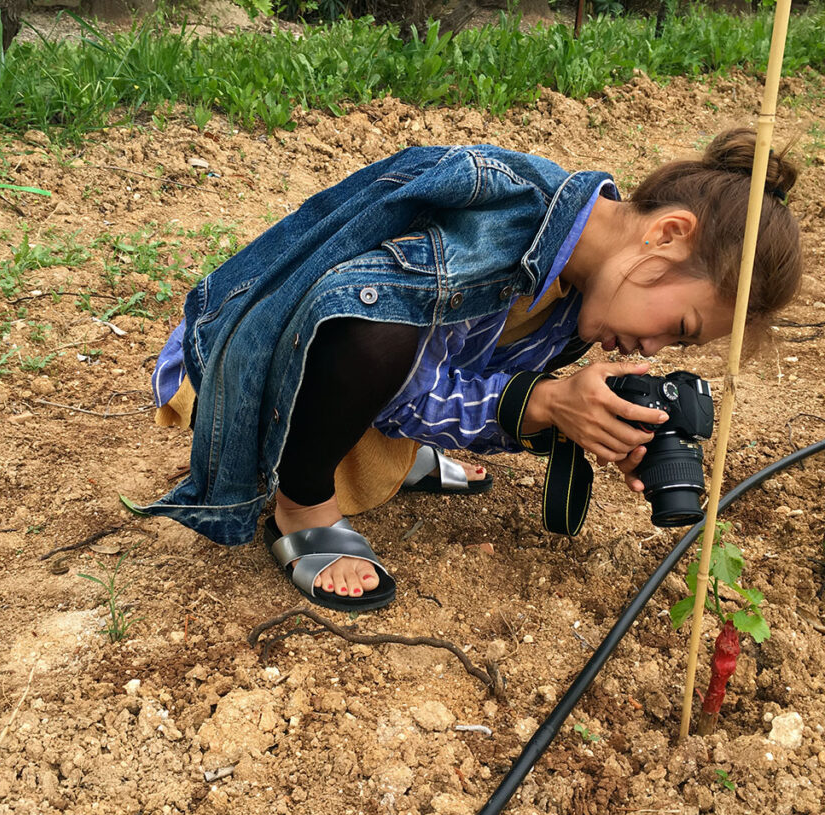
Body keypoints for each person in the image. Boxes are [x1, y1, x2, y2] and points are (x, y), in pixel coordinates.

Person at [137, 128, 802, 613]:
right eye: (678, 326)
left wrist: (582, 422)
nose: (651, 349)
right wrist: (538, 405)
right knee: (381, 326)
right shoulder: (495, 208)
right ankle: (302, 504)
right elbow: (372, 348)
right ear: (666, 234)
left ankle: (390, 456)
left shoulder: (581, 282)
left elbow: (467, 366)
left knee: (420, 358)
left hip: (359, 391)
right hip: (251, 375)